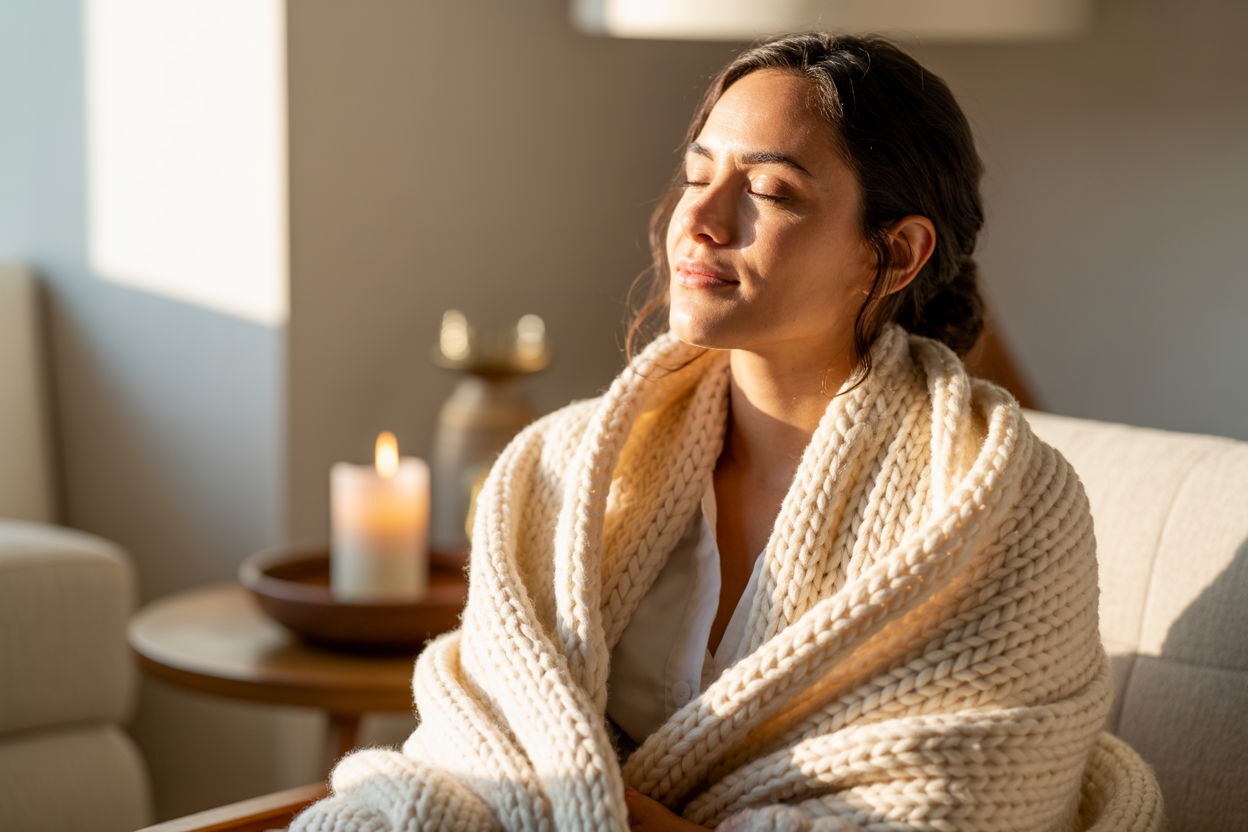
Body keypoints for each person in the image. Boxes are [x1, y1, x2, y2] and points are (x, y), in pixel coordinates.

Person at [293, 33, 1161, 832]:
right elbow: (472, 741)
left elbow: (965, 798)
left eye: (770, 191)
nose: (699, 222)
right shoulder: (554, 472)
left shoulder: (1011, 510)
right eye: (696, 172)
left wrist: (581, 806)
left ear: (895, 253)